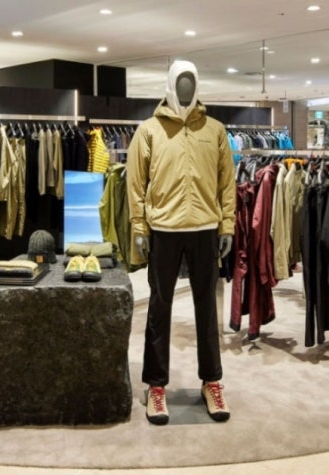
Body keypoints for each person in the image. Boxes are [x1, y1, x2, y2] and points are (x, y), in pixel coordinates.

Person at [126, 60, 236, 425]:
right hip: (164, 229)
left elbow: (227, 182)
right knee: (159, 308)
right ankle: (156, 386)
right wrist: (139, 227)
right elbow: (135, 183)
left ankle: (212, 381)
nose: (186, 88)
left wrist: (227, 225)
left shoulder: (215, 130)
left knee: (207, 309)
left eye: (191, 81)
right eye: (181, 82)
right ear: (171, 84)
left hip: (205, 228)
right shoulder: (149, 130)